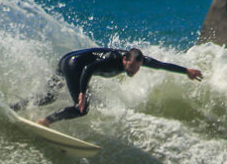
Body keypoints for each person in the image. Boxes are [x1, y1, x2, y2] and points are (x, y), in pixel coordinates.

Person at [27, 47, 203, 127]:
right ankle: (45, 122)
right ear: (125, 59)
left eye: (137, 68)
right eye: (132, 67)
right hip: (72, 65)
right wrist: (82, 93)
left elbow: (162, 65)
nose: (134, 71)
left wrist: (186, 70)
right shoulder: (112, 58)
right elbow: (88, 68)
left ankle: (15, 107)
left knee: (49, 97)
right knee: (81, 108)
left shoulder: (138, 59)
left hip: (68, 60)